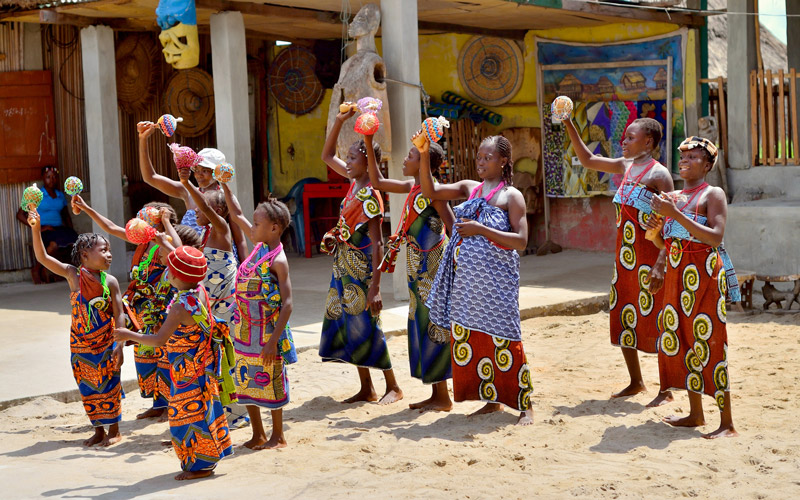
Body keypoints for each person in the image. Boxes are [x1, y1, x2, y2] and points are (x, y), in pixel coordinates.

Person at [422, 135, 534, 425]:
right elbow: (429, 189)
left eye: (488, 157)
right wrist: (424, 153)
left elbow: (521, 241)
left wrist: (480, 230)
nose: (481, 162)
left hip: (498, 283)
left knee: (507, 339)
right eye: (479, 157)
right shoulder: (471, 190)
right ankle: (491, 401)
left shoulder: (511, 196)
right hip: (468, 285)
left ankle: (525, 405)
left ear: (503, 161)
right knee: (476, 339)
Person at [563, 116, 675, 405]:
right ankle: (636, 381)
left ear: (648, 142)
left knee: (658, 318)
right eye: (624, 138)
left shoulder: (659, 175)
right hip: (625, 259)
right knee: (625, 315)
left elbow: (671, 224)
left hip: (650, 258)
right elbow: (587, 159)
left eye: (629, 138)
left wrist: (660, 264)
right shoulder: (624, 166)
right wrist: (568, 122)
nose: (623, 142)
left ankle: (666, 389)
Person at [114, 246, 234, 480]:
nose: (166, 272)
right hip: (200, 363)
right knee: (204, 409)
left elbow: (158, 340)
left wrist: (129, 335)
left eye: (169, 269)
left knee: (185, 417)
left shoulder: (179, 306)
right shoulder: (198, 291)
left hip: (187, 369)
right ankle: (207, 459)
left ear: (176, 276)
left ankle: (200, 467)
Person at [648, 136, 739, 439]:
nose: (685, 161)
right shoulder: (672, 197)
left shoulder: (713, 194)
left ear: (708, 164)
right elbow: (667, 241)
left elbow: (714, 237)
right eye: (683, 156)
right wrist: (655, 236)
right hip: (676, 276)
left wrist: (674, 215)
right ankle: (696, 413)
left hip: (704, 278)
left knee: (710, 341)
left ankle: (727, 423)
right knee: (684, 340)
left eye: (694, 157)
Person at [318, 107, 403, 405]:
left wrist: (376, 287)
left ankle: (392, 384)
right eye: (349, 159)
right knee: (349, 324)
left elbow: (377, 242)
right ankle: (366, 387)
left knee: (368, 324)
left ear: (369, 163)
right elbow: (327, 156)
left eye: (354, 158)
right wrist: (340, 121)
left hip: (363, 270)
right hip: (344, 266)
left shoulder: (371, 195)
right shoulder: (355, 182)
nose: (348, 163)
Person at [366, 131, 455, 411]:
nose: (405, 160)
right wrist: (369, 142)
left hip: (433, 270)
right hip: (417, 272)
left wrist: (456, 267)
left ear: (425, 162)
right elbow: (377, 181)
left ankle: (443, 397)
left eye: (412, 156)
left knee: (434, 326)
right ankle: (436, 393)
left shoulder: (435, 193)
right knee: (422, 325)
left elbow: (452, 228)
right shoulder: (413, 188)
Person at [72, 196, 179, 420]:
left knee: (164, 357)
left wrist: (167, 224)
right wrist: (87, 208)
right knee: (145, 357)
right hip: (142, 311)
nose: (140, 217)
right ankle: (158, 404)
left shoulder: (166, 240)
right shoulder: (142, 242)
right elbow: (109, 227)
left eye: (147, 215)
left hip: (162, 310)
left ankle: (170, 405)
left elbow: (178, 253)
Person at [28, 210, 124, 446]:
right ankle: (98, 430)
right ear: (84, 255)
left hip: (105, 343)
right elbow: (43, 258)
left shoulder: (110, 282)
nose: (109, 255)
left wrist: (119, 344)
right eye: (103, 251)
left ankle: (114, 430)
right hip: (80, 345)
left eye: (109, 250)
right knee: (88, 387)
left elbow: (119, 314)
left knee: (110, 384)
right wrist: (35, 229)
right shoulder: (73, 276)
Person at [223, 183, 297, 449]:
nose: (251, 228)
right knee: (245, 380)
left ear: (274, 228)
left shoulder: (277, 260)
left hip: (266, 332)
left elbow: (287, 304)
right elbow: (236, 215)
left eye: (256, 224)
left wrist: (272, 341)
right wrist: (225, 185)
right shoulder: (258, 247)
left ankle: (278, 435)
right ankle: (258, 434)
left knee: (271, 379)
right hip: (244, 330)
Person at [136, 121, 248, 260]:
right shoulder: (187, 191)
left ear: (216, 172)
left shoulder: (225, 198)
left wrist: (246, 270)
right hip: (190, 262)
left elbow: (240, 239)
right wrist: (143, 139)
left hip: (219, 265)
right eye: (196, 169)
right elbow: (150, 177)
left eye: (205, 170)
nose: (199, 174)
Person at [16, 165, 78, 283]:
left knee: (75, 242)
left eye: (54, 177)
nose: (52, 179)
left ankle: (62, 273)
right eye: (48, 177)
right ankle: (38, 270)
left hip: (59, 229)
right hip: (45, 230)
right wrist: (38, 227)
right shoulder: (38, 194)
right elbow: (20, 215)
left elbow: (66, 215)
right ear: (43, 178)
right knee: (53, 246)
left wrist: (71, 230)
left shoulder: (60, 195)